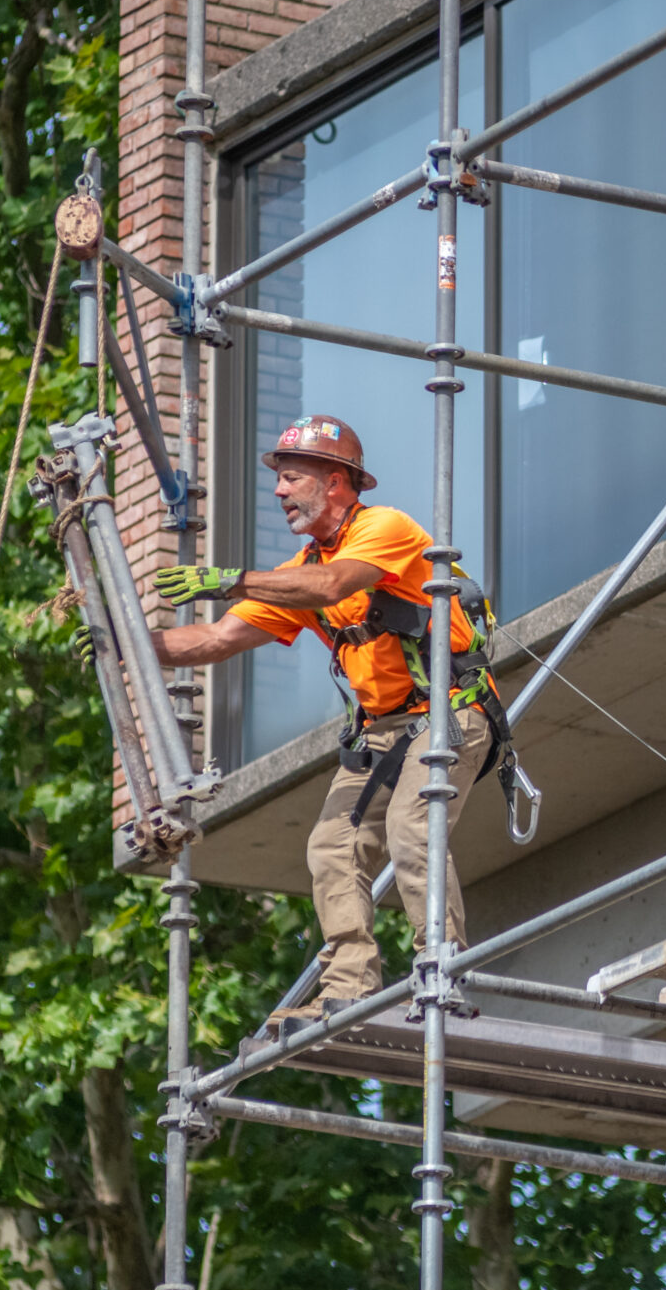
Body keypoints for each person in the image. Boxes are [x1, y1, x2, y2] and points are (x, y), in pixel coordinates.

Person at [141, 414, 499, 1019]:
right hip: (383, 731)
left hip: (450, 713)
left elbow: (333, 585)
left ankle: (443, 969)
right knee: (331, 846)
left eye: (291, 477)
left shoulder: (385, 529)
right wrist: (126, 641)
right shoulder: (293, 577)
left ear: (336, 482)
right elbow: (214, 641)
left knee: (413, 829)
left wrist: (230, 579)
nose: (278, 492)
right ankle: (349, 987)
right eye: (279, 479)